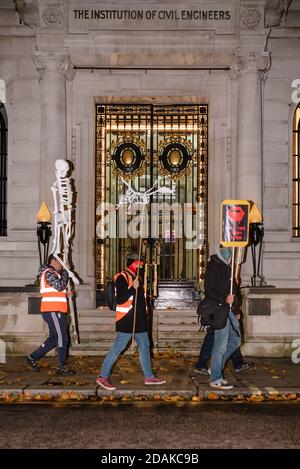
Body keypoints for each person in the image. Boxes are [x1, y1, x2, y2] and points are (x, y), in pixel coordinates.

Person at [96, 252, 166, 390]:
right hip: (127, 319)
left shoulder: (136, 277)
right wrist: (132, 287)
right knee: (117, 349)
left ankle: (149, 377)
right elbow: (121, 299)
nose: (141, 266)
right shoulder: (121, 277)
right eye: (138, 263)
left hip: (139, 321)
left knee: (145, 346)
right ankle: (103, 377)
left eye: (141, 264)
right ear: (131, 263)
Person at [198, 247, 242, 390]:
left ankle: (215, 368)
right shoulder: (214, 266)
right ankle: (216, 377)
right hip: (219, 310)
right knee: (220, 344)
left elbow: (233, 291)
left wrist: (236, 308)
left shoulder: (228, 266)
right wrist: (224, 299)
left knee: (235, 340)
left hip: (229, 310)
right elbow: (209, 290)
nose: (229, 252)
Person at [26, 254, 75, 376]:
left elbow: (57, 289)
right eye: (61, 262)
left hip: (57, 310)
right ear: (53, 261)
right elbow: (59, 286)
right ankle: (61, 366)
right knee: (62, 338)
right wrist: (65, 272)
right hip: (53, 310)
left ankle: (32, 357)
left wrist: (66, 294)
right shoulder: (48, 272)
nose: (62, 265)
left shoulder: (54, 273)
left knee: (54, 338)